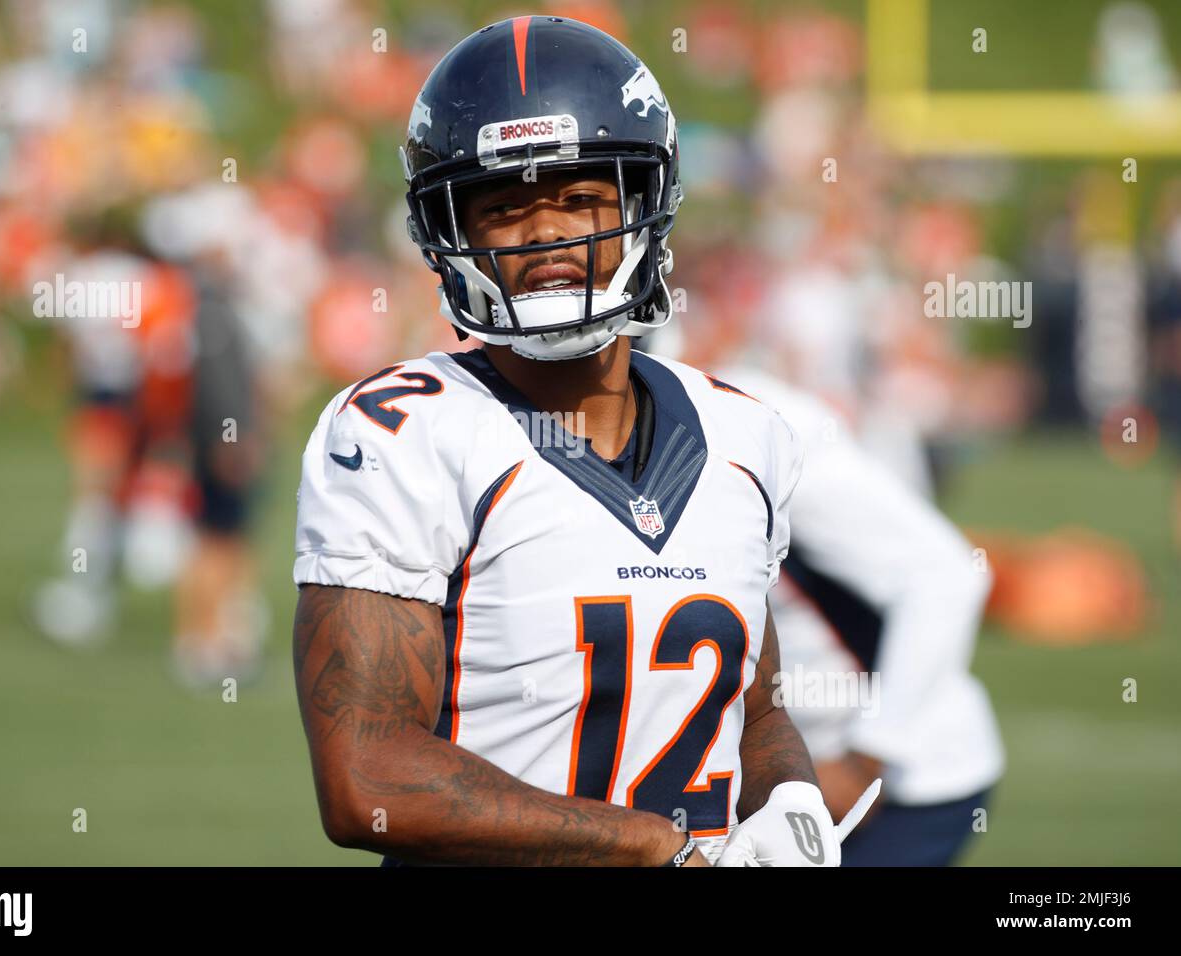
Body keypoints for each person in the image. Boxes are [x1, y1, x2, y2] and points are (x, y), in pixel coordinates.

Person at [291, 16, 855, 866]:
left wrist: (792, 803)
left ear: (643, 205)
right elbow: (365, 774)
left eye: (580, 198)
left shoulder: (745, 436)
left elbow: (756, 709)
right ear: (452, 234)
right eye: (504, 206)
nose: (547, 231)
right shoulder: (404, 435)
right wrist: (646, 849)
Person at [712, 362, 1005, 865]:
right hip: (769, 782)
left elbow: (944, 574)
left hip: (894, 788)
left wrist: (868, 755)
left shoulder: (745, 420)